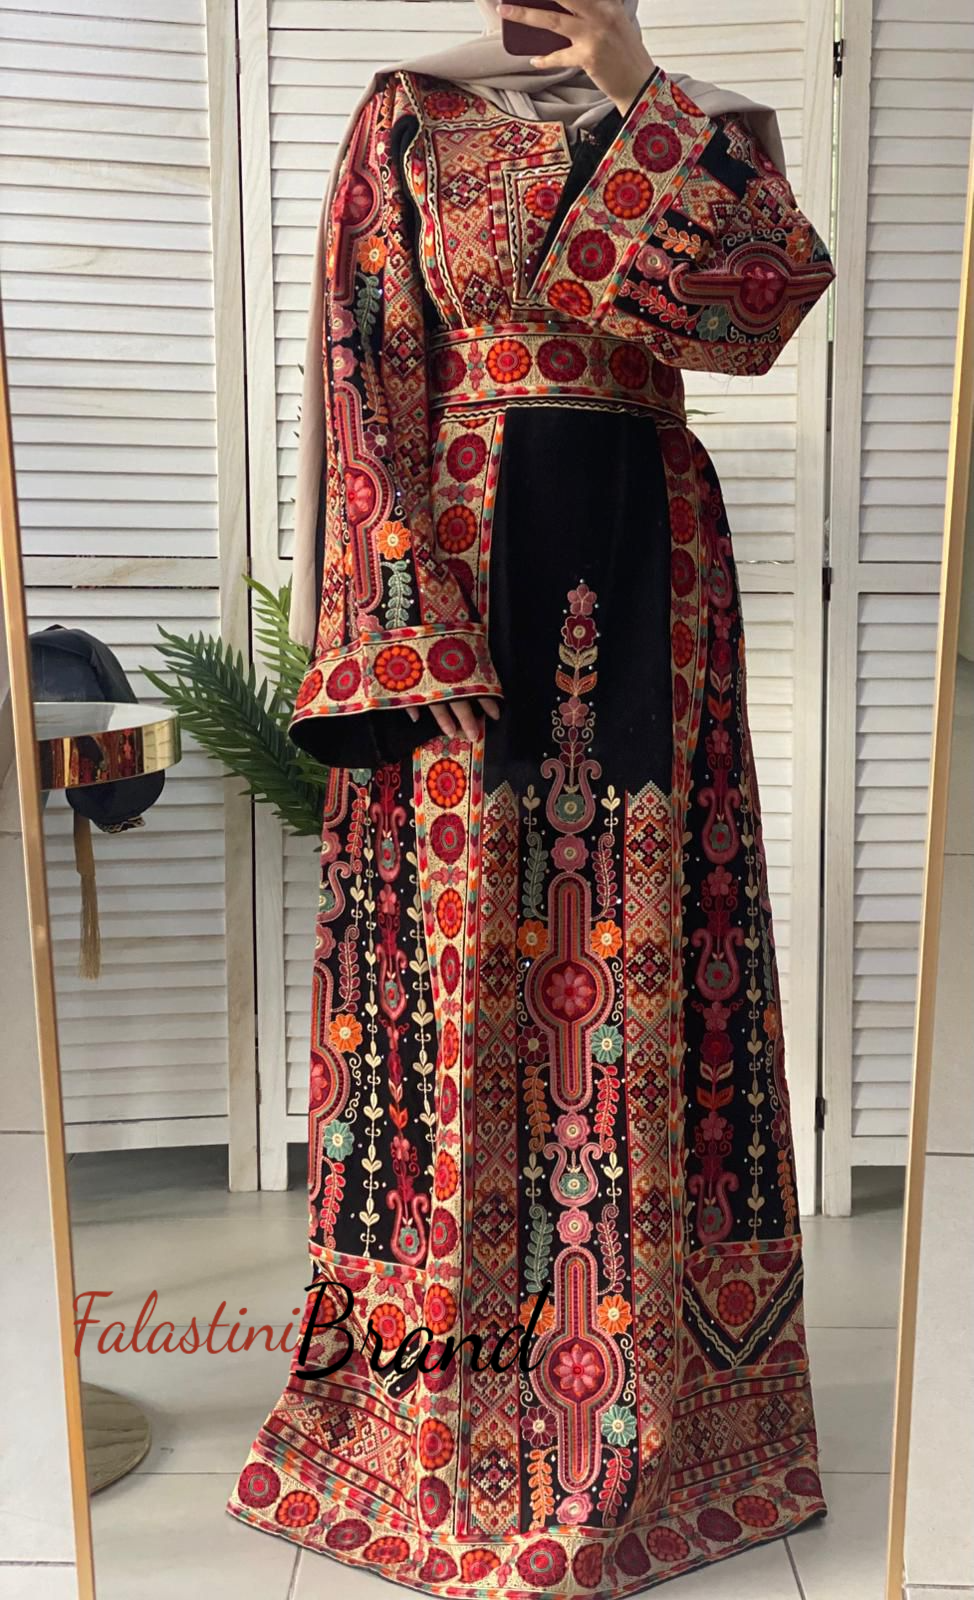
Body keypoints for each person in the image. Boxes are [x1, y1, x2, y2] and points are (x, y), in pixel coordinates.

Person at [229, 1, 835, 1592]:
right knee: (450, 976)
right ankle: (429, 1421)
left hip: (651, 559)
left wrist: (638, 86)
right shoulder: (409, 116)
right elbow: (367, 369)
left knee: (648, 954)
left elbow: (760, 309)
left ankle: (668, 1425)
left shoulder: (707, 125)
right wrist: (400, 621)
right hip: (462, 565)